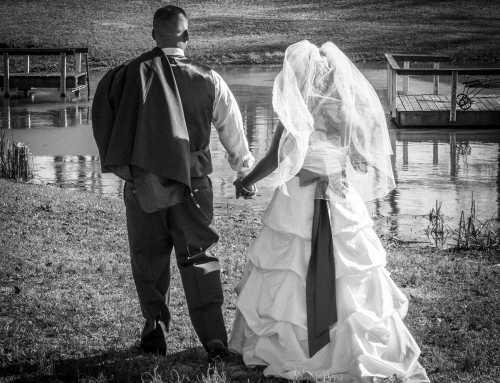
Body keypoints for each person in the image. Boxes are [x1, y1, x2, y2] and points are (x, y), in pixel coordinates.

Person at [230, 40, 429, 382]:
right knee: (350, 273)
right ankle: (352, 345)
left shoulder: (296, 110)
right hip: (340, 195)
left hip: (297, 200)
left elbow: (275, 159)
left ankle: (289, 349)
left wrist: (246, 181)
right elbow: (363, 159)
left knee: (289, 269)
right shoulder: (347, 110)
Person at [91, 5, 254, 361]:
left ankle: (154, 333)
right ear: (187, 36)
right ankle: (214, 338)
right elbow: (232, 130)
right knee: (199, 256)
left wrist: (124, 166)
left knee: (147, 257)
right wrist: (244, 171)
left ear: (153, 35)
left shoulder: (127, 75)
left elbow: (107, 120)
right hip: (193, 183)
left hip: (142, 182)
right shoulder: (209, 78)